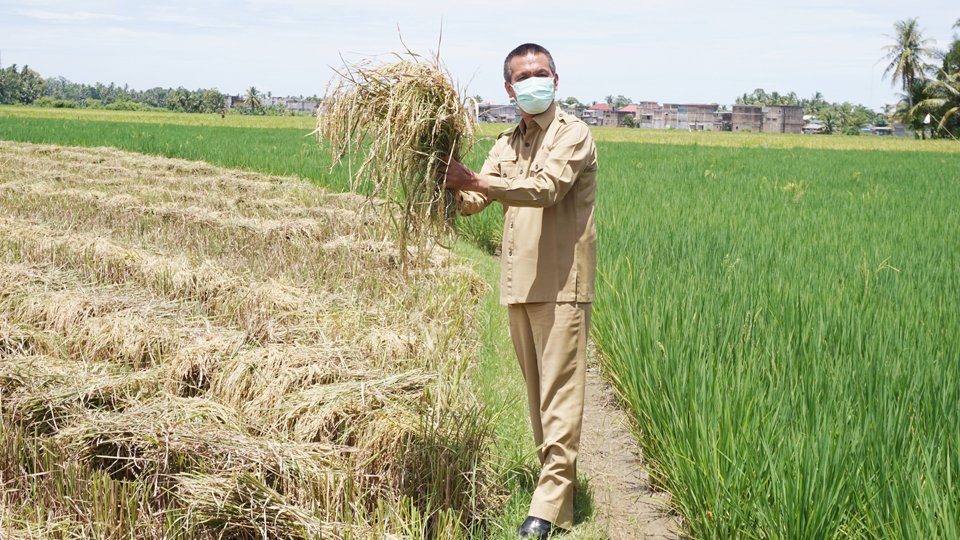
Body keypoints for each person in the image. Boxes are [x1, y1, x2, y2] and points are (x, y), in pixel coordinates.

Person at [440, 43, 597, 539]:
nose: (534, 82)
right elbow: (475, 198)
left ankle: (546, 509)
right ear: (509, 89)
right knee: (538, 397)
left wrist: (476, 180)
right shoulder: (508, 142)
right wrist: (442, 183)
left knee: (560, 397)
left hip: (561, 283)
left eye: (541, 73)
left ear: (556, 79)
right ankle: (560, 496)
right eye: (524, 76)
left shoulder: (572, 133)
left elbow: (547, 189)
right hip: (519, 283)